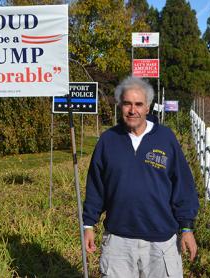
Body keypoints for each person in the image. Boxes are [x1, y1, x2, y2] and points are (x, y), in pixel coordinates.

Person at [83, 76, 199, 278]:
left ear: (148, 107)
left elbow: (183, 186)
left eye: (138, 104)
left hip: (161, 241)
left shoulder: (166, 138)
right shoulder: (108, 141)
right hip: (118, 240)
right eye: (127, 103)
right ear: (120, 105)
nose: (132, 110)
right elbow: (95, 187)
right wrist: (88, 225)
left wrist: (187, 228)